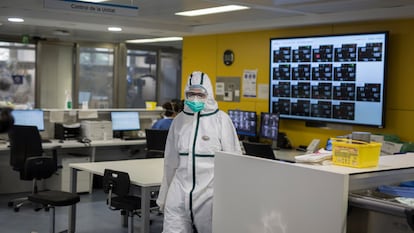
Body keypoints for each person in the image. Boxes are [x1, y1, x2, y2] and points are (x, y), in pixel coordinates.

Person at [157, 71, 242, 233]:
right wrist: (164, 196)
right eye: (191, 94)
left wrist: (232, 199)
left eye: (200, 94)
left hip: (209, 195)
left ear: (208, 94)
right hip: (179, 191)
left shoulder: (221, 120)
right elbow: (170, 162)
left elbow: (234, 163)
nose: (195, 98)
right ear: (185, 94)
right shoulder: (179, 121)